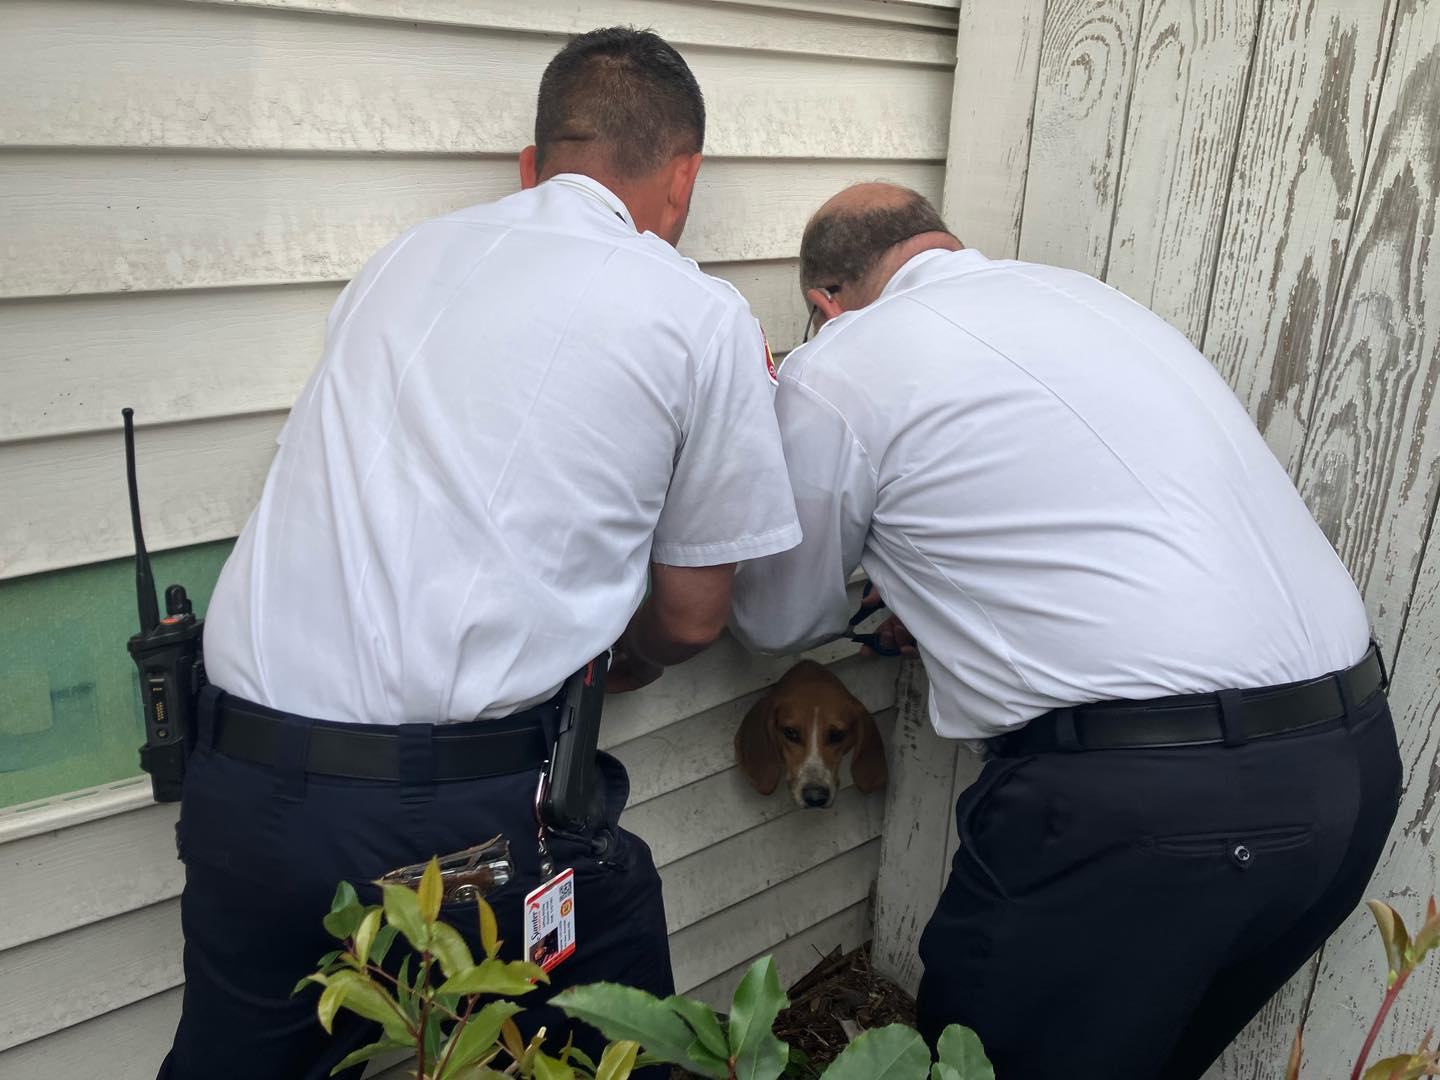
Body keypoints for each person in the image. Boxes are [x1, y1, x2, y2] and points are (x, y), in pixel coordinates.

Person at [160, 28, 800, 1079]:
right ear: (681, 181)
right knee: (612, 1021)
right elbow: (692, 613)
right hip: (446, 819)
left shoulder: (402, 262)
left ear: (530, 165)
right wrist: (620, 654)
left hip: (239, 785)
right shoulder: (695, 313)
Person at [730, 183, 1401, 1080]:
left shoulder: (844, 361)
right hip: (1350, 772)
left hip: (1150, 809)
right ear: (941, 242)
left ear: (826, 303)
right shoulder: (1088, 300)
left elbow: (776, 615)